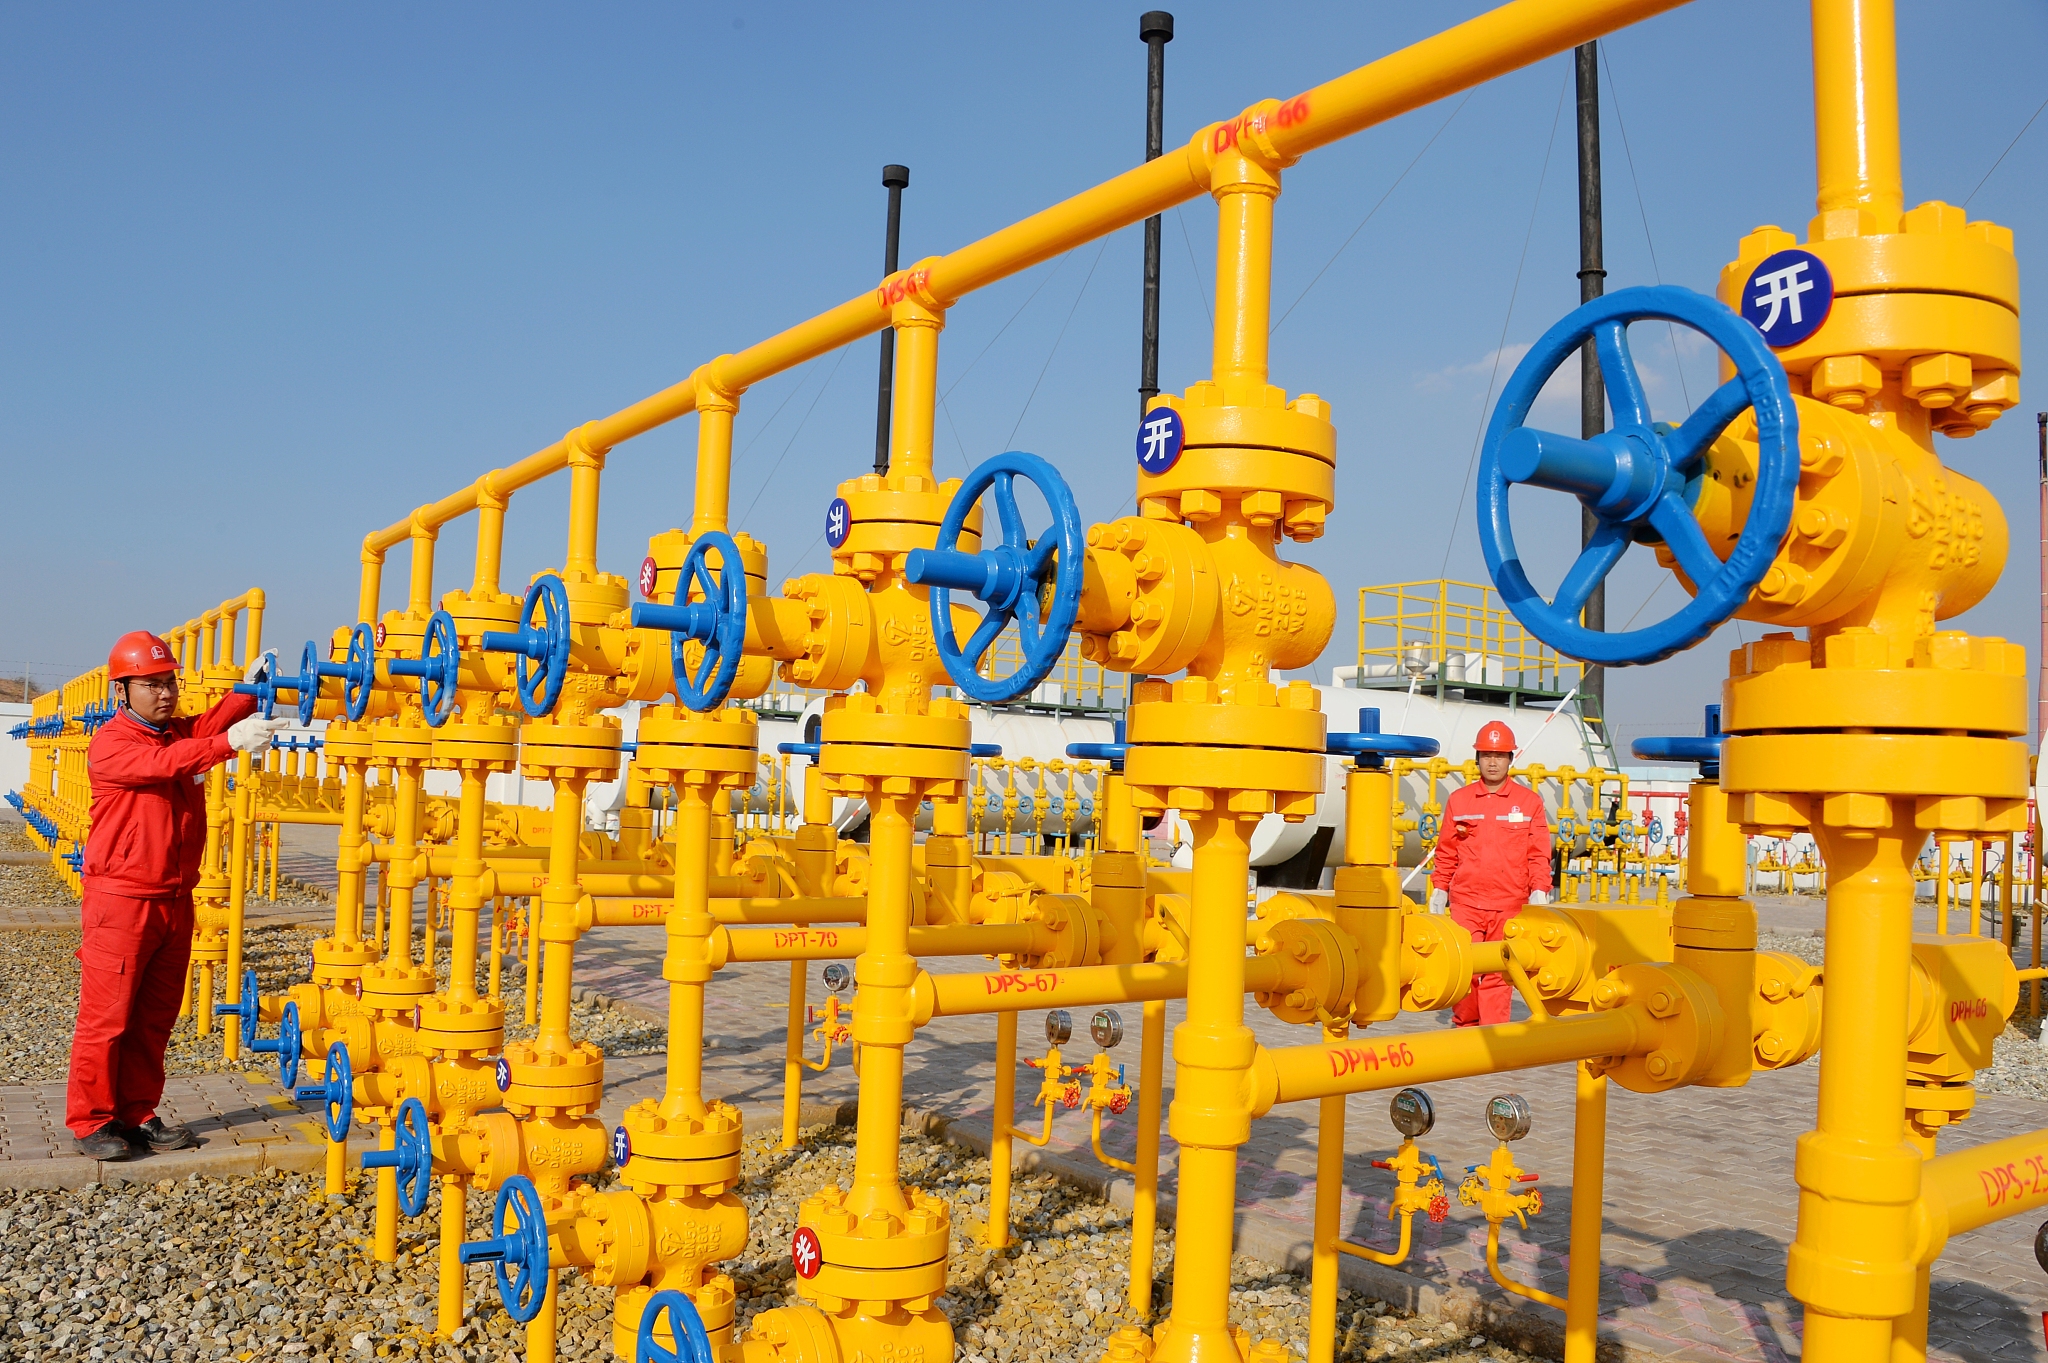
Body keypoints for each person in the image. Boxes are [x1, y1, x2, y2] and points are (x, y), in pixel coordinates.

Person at [66, 631, 292, 1160]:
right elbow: (173, 761)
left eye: (169, 682)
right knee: (107, 1018)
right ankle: (91, 1121)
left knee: (154, 1018)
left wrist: (247, 691)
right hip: (122, 901)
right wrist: (230, 743)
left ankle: (136, 1113)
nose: (165, 693)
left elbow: (205, 729)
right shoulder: (113, 745)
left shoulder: (173, 734)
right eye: (151, 684)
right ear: (121, 690)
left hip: (173, 899)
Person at [1428, 719, 1552, 1027]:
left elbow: (1538, 853)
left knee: (1499, 971)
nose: (1492, 762)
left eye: (1499, 755)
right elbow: (1446, 851)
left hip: (1509, 905)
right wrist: (1440, 888)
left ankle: (1493, 1035)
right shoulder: (1460, 801)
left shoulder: (1529, 803)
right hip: (1466, 904)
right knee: (1465, 967)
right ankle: (1466, 1028)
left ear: (1510, 759)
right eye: (1486, 755)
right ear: (1477, 759)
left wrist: (1540, 890)